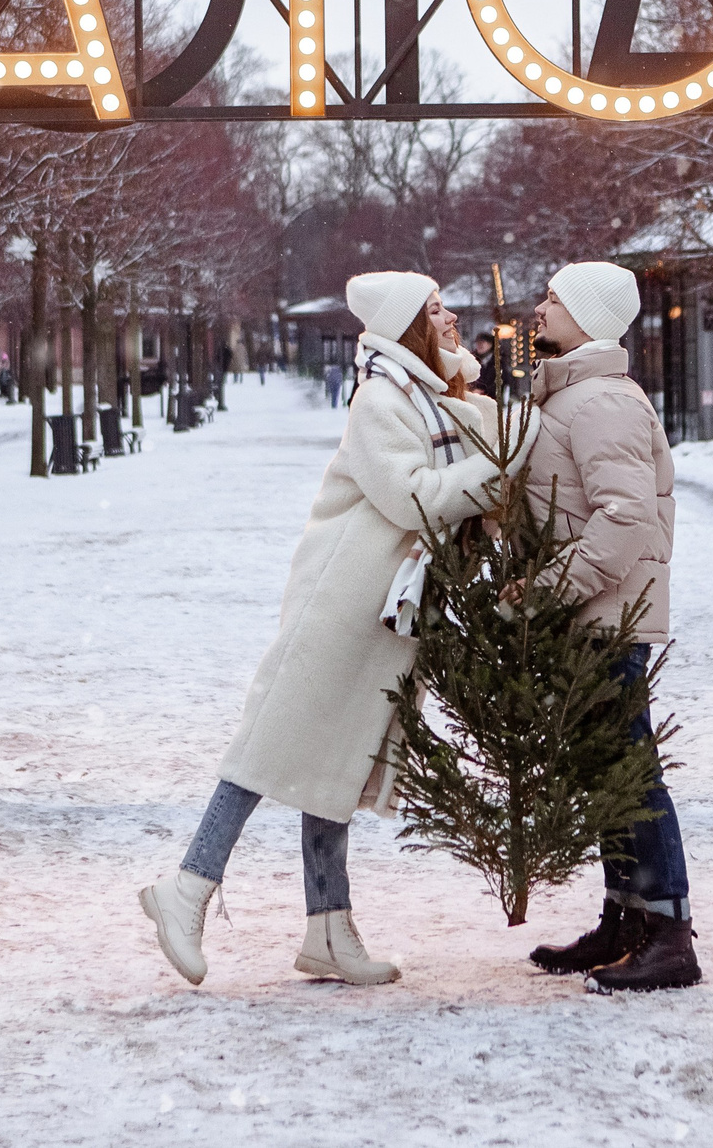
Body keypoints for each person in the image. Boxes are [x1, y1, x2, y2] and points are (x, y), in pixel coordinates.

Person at [141, 271, 517, 987]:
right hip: (342, 600)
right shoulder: (382, 400)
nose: (450, 317)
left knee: (335, 759)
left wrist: (482, 414)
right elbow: (415, 497)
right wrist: (495, 473)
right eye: (435, 310)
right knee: (273, 742)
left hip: (388, 605)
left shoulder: (434, 396)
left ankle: (327, 929)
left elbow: (482, 456)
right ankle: (186, 889)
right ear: (407, 325)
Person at [519, 261, 698, 993]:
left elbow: (624, 519)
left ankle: (670, 935)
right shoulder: (575, 393)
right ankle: (626, 918)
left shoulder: (602, 402)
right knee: (608, 771)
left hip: (604, 615)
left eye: (553, 299)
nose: (539, 308)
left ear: (589, 316)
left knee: (630, 771)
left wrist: (546, 591)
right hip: (586, 612)